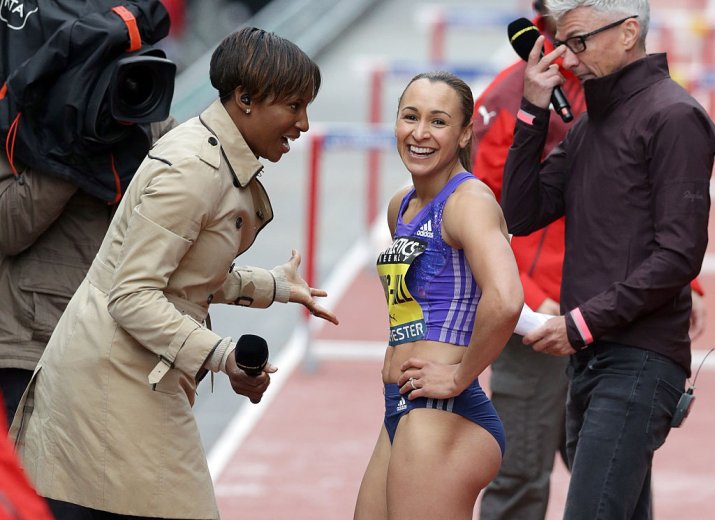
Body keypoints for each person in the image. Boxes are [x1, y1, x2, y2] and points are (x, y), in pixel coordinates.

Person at [10, 26, 338, 520]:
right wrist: (225, 357)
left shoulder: (212, 157)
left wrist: (272, 286)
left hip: (132, 373)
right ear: (245, 100)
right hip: (113, 380)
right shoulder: (192, 170)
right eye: (293, 106)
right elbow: (133, 295)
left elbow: (181, 277)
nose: (304, 123)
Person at [501, 1, 715, 518]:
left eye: (578, 42)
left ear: (627, 33)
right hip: (592, 361)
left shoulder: (675, 116)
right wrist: (532, 106)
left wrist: (579, 324)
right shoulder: (587, 127)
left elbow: (679, 257)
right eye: (563, 44)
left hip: (638, 361)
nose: (568, 60)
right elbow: (520, 211)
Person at [354, 71, 523, 520]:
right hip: (403, 406)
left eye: (439, 121)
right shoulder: (401, 207)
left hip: (444, 409)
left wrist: (458, 375)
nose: (420, 132)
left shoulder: (468, 202)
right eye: (410, 117)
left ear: (465, 132)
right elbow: (416, 305)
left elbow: (506, 299)